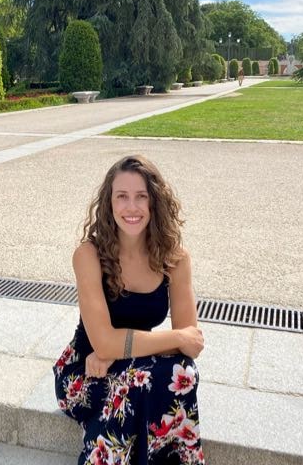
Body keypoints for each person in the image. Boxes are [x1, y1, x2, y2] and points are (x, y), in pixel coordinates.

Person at [54, 155, 205, 464]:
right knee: (135, 383)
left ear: (155, 203)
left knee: (182, 372)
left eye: (141, 197)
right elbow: (104, 344)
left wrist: (116, 347)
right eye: (121, 196)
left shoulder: (174, 258)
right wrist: (111, 345)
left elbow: (191, 343)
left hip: (133, 361)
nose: (131, 207)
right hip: (85, 369)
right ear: (109, 203)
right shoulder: (88, 255)